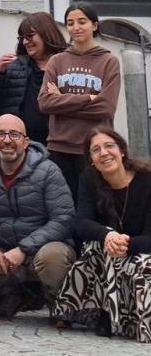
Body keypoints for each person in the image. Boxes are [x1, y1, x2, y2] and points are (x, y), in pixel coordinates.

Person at [53, 128, 151, 342]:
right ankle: (106, 313)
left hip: (144, 250)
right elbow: (80, 223)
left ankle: (125, 319)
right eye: (96, 150)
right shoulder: (89, 179)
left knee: (139, 264)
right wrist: (107, 235)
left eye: (109, 146)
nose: (104, 153)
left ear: (122, 150)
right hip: (108, 252)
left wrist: (124, 243)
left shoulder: (147, 179)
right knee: (96, 250)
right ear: (91, 160)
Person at [0, 114, 75, 320]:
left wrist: (22, 250)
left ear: (26, 142)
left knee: (52, 257)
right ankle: (14, 294)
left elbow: (64, 218)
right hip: (5, 248)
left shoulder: (48, 171)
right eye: (1, 134)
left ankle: (57, 301)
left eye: (14, 134)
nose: (7, 140)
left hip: (45, 248)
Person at [38, 2, 121, 204]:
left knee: (95, 205)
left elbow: (106, 108)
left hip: (95, 148)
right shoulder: (57, 61)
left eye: (82, 22)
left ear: (94, 25)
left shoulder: (109, 61)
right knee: (63, 206)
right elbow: (45, 103)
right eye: (70, 23)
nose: (76, 27)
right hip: (59, 148)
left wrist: (62, 101)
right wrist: (86, 98)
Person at [0, 12, 67, 146]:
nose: (25, 42)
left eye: (30, 36)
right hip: (20, 147)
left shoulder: (69, 66)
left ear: (46, 33)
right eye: (22, 38)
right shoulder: (12, 67)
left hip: (61, 144)